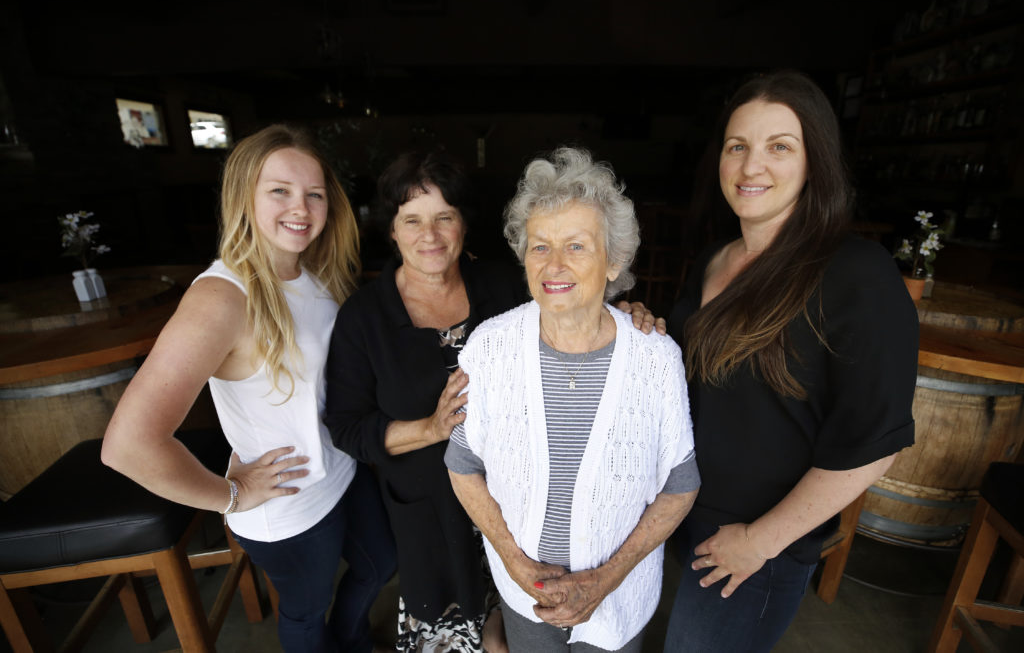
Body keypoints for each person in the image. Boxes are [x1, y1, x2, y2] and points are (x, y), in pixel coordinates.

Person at [323, 149, 664, 652]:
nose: (430, 235)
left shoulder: (503, 286)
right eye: (412, 220)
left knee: (518, 626)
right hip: (433, 514)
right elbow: (348, 428)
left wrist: (622, 308)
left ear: (463, 225)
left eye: (445, 217)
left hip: (522, 511)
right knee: (454, 628)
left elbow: (570, 306)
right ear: (391, 231)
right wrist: (430, 429)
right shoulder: (363, 318)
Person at [102, 124, 396, 653]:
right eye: (279, 191)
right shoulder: (222, 297)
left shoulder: (315, 271)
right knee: (307, 615)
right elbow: (128, 445)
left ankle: (353, 641)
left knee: (382, 565)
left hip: (343, 472)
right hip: (287, 505)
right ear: (244, 197)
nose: (300, 207)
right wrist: (230, 496)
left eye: (314, 194)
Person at [663, 71, 918, 652]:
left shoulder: (856, 274)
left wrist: (759, 541)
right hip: (689, 516)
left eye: (780, 147)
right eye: (738, 147)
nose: (753, 167)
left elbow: (877, 440)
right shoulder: (713, 259)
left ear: (815, 161)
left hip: (759, 544)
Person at [445, 146, 700, 653]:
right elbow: (463, 465)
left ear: (615, 261)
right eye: (540, 247)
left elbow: (679, 486)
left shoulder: (656, 357)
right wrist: (516, 565)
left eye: (577, 246)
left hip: (620, 595)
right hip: (524, 594)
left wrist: (603, 580)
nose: (554, 265)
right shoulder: (490, 347)